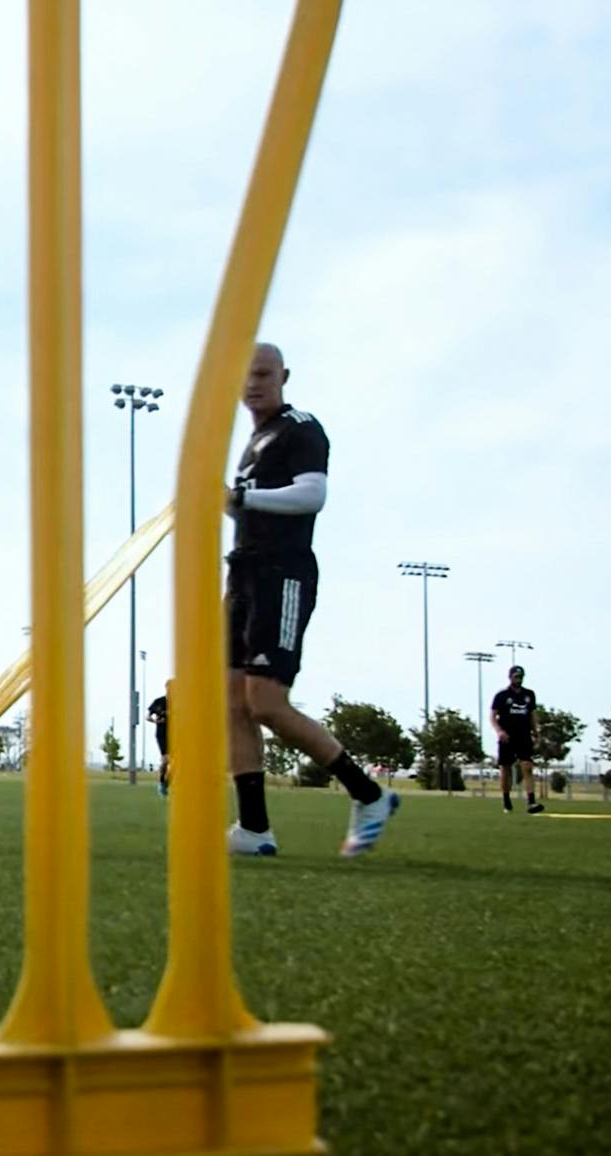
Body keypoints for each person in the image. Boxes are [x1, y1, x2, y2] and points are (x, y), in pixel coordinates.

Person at [222, 342, 398, 857]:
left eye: (263, 373)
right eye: (245, 374)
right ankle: (254, 829)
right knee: (231, 700)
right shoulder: (253, 442)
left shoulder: (300, 427)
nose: (252, 384)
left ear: (283, 376)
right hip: (244, 575)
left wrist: (241, 499)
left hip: (283, 576)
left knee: (267, 704)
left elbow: (312, 494)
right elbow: (250, 508)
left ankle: (369, 794)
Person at [491, 664, 544, 814]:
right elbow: (493, 716)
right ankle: (506, 802)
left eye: (520, 677)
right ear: (510, 677)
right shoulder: (502, 696)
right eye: (516, 677)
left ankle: (531, 802)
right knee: (505, 769)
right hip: (507, 737)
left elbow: (533, 715)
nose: (518, 679)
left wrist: (536, 731)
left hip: (524, 735)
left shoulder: (529, 695)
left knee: (527, 767)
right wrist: (499, 731)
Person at [149, 684, 172, 796]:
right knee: (166, 760)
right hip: (162, 734)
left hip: (175, 734)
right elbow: (148, 717)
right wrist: (155, 721)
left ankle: (166, 783)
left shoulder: (179, 703)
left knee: (177, 763)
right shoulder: (158, 702)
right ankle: (162, 782)